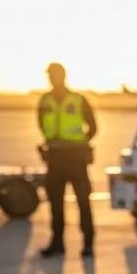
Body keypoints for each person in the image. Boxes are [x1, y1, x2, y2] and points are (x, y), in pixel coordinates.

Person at [37, 63, 96, 258]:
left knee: (83, 202)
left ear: (63, 76)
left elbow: (93, 126)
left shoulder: (78, 100)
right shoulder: (45, 101)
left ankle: (88, 244)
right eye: (50, 75)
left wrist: (80, 144)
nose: (52, 78)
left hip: (76, 159)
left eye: (55, 75)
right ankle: (57, 243)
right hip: (55, 158)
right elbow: (41, 124)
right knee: (55, 204)